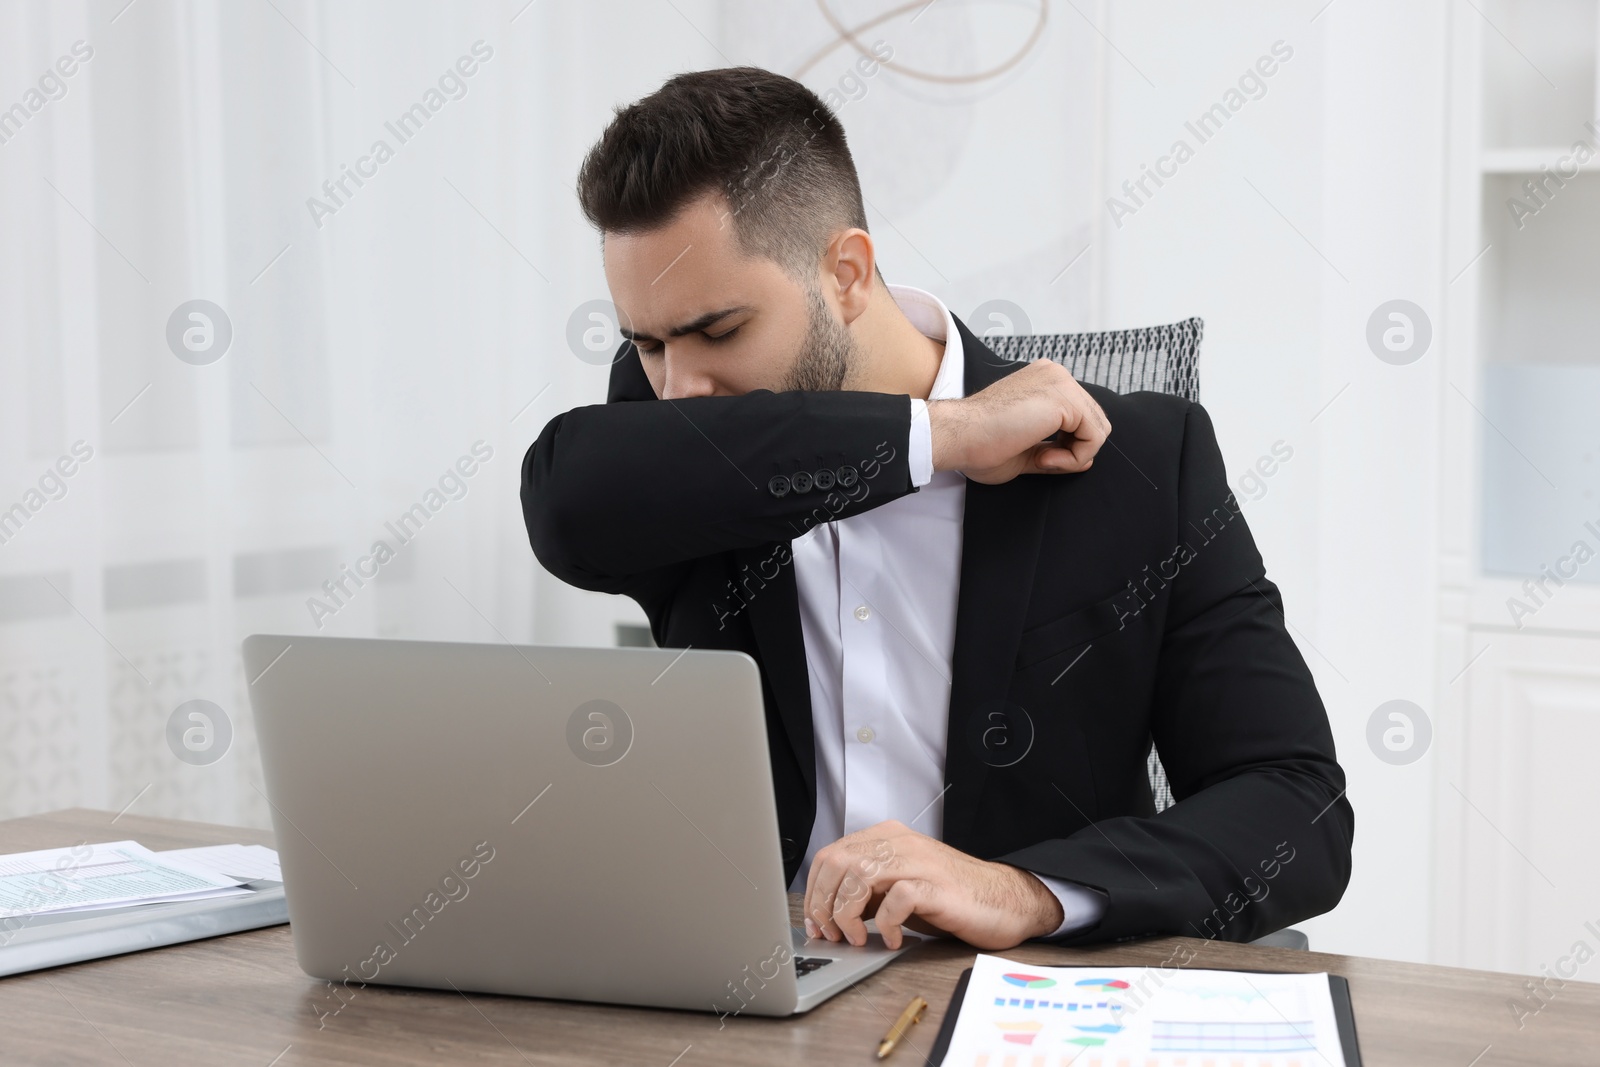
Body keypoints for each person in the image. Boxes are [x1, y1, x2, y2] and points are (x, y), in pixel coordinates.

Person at [523, 66, 1353, 952]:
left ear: (846, 273)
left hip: (1024, 994)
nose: (680, 388)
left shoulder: (1145, 462)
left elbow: (1295, 805)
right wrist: (944, 439)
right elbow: (563, 506)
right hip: (755, 991)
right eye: (647, 343)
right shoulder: (673, 452)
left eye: (720, 331)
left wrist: (1024, 889)